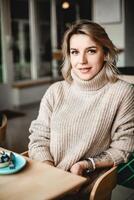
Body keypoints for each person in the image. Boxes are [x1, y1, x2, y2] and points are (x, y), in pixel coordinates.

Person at [28, 20, 134, 198]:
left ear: (106, 53)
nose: (82, 61)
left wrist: (85, 165)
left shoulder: (123, 92)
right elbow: (39, 137)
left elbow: (124, 147)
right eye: (75, 52)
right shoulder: (56, 91)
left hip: (86, 189)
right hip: (47, 182)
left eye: (91, 51)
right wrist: (50, 171)